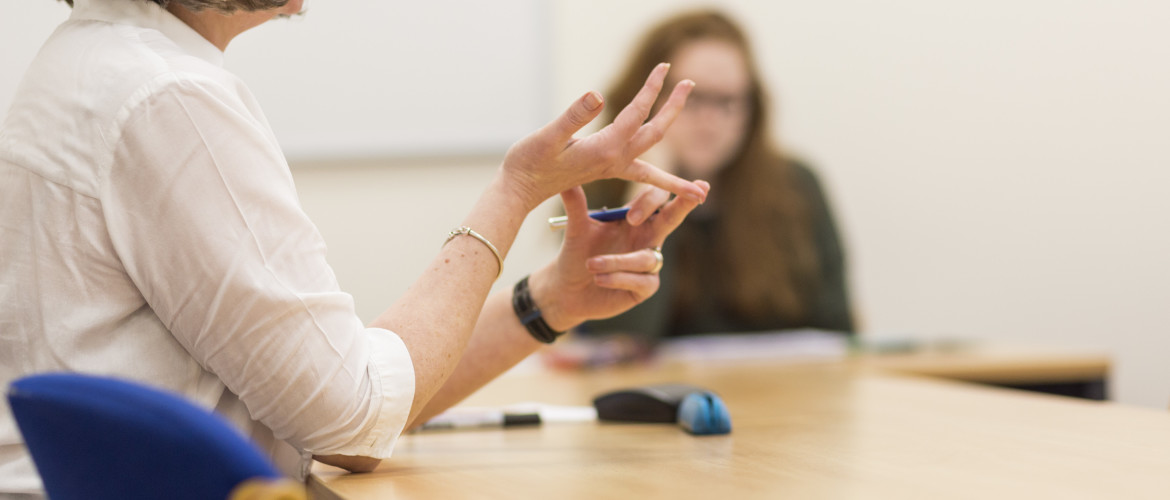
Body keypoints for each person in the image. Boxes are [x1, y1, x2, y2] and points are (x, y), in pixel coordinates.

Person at [0, 0, 710, 496]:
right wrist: (514, 192)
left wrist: (553, 297)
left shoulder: (90, 60)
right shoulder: (169, 96)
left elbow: (346, 391)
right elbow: (352, 419)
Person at [581, 10, 854, 342]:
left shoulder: (797, 186)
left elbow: (837, 334)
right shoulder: (599, 192)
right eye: (691, 98)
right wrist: (647, 196)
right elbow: (621, 339)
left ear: (752, 110)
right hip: (660, 393)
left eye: (727, 101)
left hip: (784, 390)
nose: (709, 120)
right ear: (644, 99)